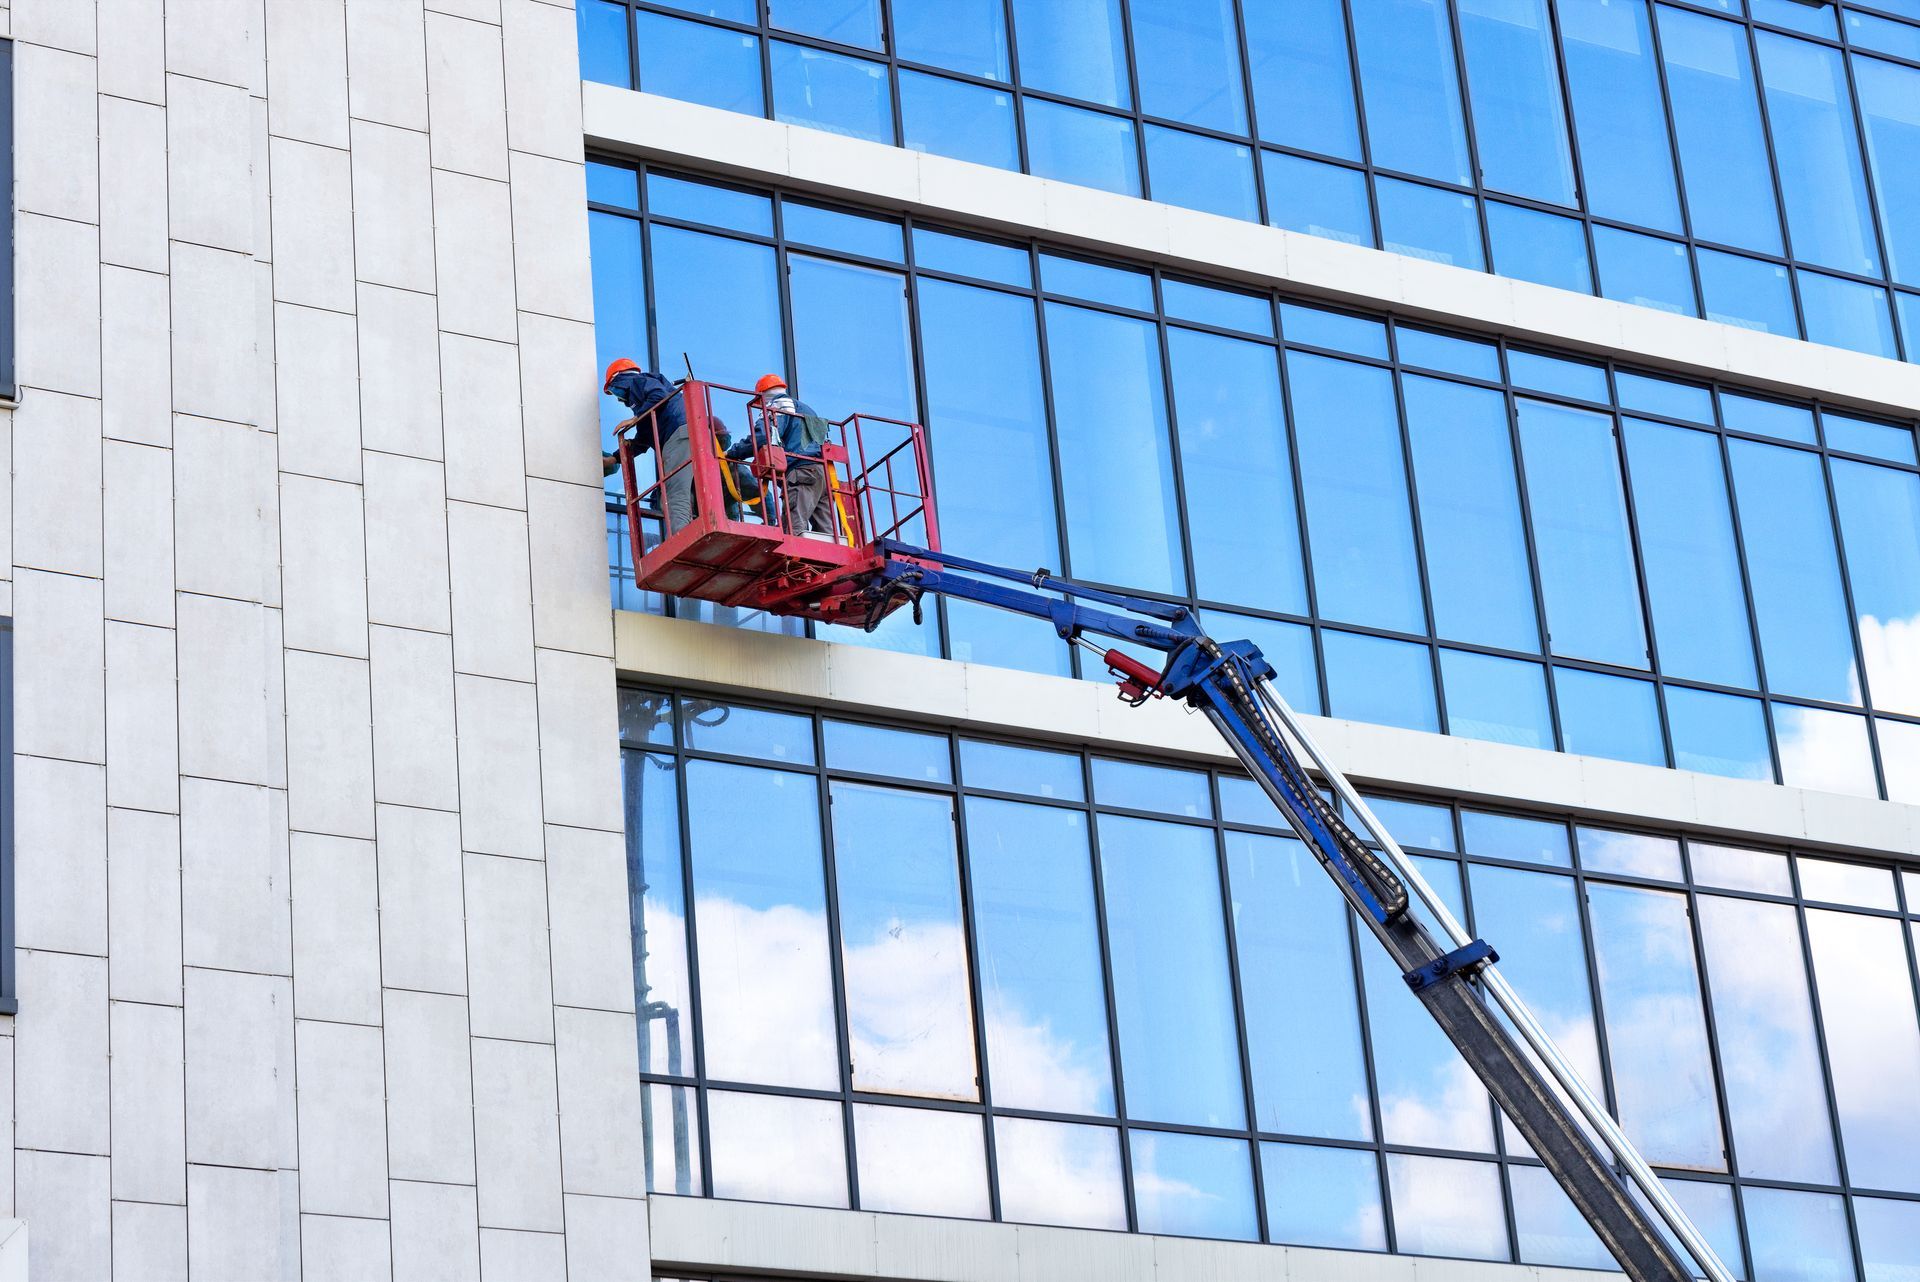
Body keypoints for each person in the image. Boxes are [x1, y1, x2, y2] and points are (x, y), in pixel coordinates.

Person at [729, 373, 838, 539]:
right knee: (826, 533)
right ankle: (827, 563)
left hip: (801, 472)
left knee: (793, 527)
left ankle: (793, 561)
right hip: (822, 475)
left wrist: (734, 453)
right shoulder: (807, 409)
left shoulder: (778, 403)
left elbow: (763, 435)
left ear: (762, 396)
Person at [602, 358, 695, 534]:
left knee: (675, 492)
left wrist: (635, 418)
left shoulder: (638, 381)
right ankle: (689, 532)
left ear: (619, 380)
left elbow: (659, 395)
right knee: (685, 490)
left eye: (614, 392)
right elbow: (644, 439)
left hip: (677, 435)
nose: (618, 399)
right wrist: (614, 458)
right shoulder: (646, 402)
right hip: (683, 435)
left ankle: (682, 536)